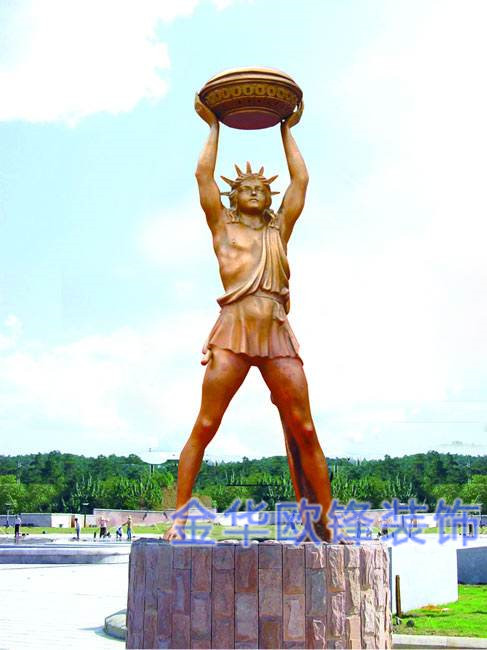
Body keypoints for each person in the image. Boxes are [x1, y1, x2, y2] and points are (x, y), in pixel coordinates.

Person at [164, 96, 334, 542]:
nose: (256, 191)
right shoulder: (223, 228)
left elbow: (301, 179)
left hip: (275, 332)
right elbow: (203, 176)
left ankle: (326, 523)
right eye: (247, 188)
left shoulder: (279, 230)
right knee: (205, 425)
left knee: (305, 428)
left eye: (262, 188)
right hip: (234, 331)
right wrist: (214, 126)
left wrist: (286, 129)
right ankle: (178, 518)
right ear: (233, 198)